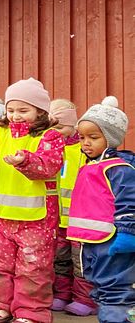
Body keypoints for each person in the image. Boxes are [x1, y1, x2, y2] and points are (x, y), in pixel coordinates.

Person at [0, 78, 64, 323]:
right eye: (11, 110)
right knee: (0, 265)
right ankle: (0, 304)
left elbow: (49, 166)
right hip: (4, 217)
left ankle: (31, 311)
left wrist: (25, 161)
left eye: (23, 110)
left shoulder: (51, 136)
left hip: (37, 218)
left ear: (40, 111)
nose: (15, 116)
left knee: (33, 269)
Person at [66, 96, 135, 323]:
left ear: (111, 138)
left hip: (112, 241)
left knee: (116, 288)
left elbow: (129, 201)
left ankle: (116, 319)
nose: (85, 143)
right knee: (99, 285)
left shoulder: (119, 168)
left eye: (93, 137)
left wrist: (127, 232)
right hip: (91, 241)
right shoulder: (90, 165)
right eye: (82, 137)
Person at [48, 99, 96, 316]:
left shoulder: (83, 149)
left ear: (73, 126)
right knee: (59, 259)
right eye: (53, 127)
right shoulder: (50, 148)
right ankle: (61, 294)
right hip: (57, 220)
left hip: (80, 220)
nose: (57, 132)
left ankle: (85, 299)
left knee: (81, 262)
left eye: (61, 127)